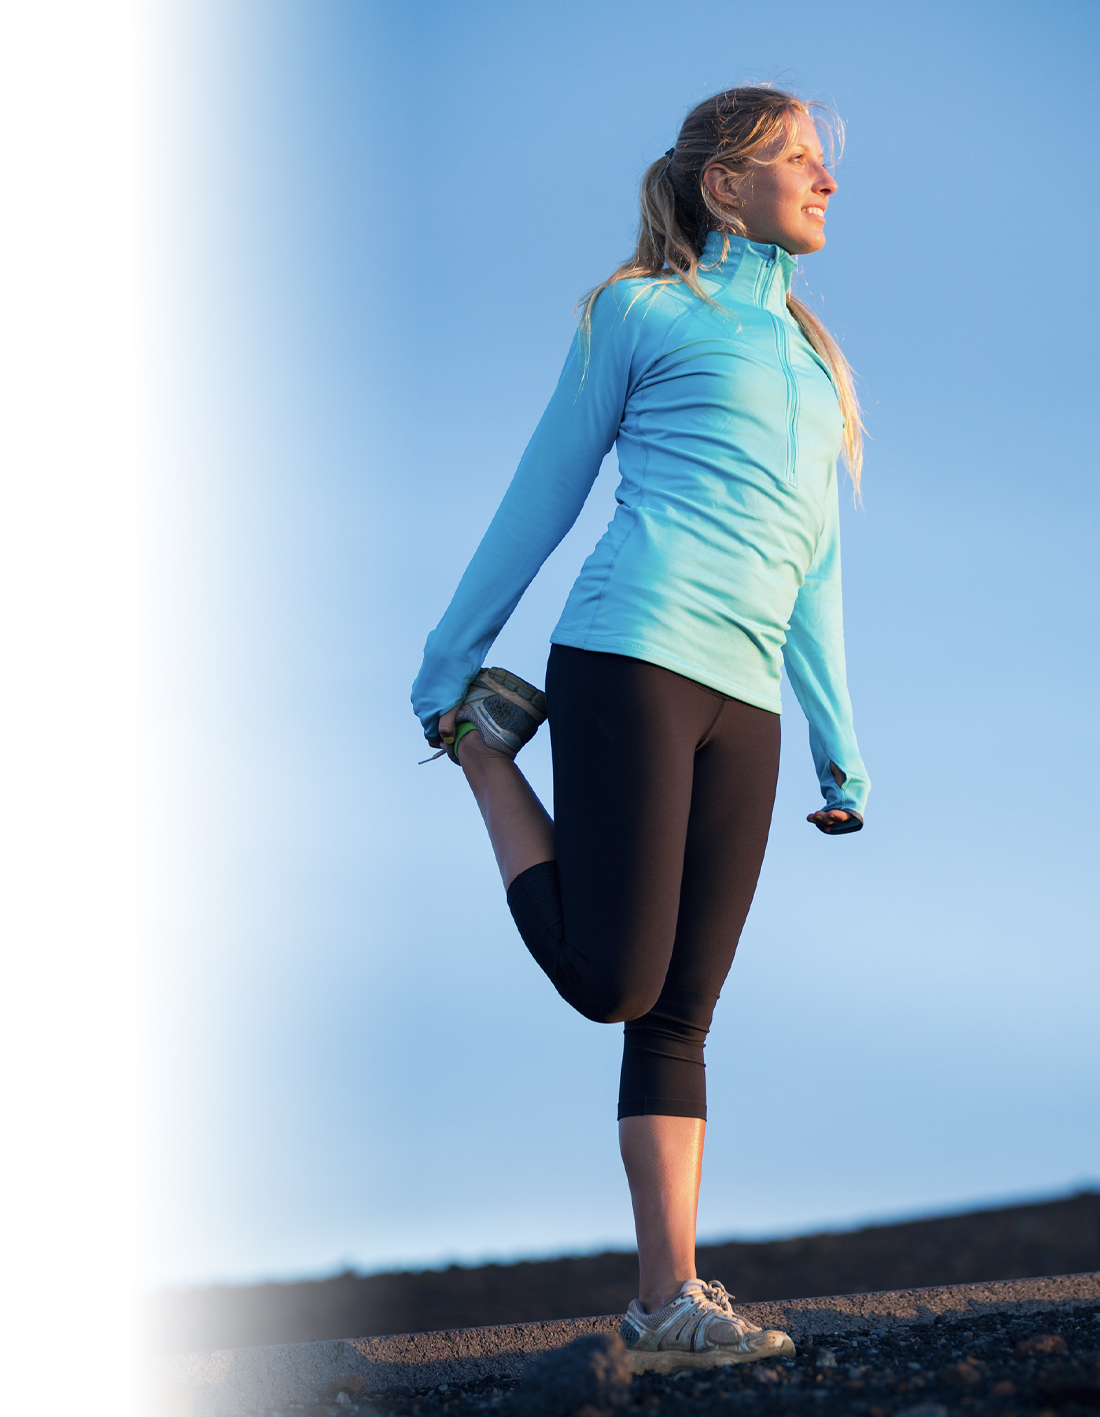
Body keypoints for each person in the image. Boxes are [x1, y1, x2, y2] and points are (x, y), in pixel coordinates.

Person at [411, 85, 870, 1372]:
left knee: (680, 1010)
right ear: (725, 187)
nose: (824, 182)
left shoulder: (811, 360)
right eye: (796, 161)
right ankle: (482, 750)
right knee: (612, 979)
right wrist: (453, 659)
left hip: (748, 700)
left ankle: (664, 1300)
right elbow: (545, 484)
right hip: (629, 652)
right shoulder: (641, 310)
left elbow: (813, 566)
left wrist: (837, 740)